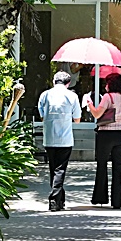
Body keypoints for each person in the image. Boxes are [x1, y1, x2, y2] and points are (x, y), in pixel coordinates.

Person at [87, 73, 121, 208]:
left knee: (102, 165)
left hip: (105, 135)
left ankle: (100, 198)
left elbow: (97, 114)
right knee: (118, 168)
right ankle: (117, 202)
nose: (106, 86)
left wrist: (90, 104)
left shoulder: (108, 97)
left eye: (107, 83)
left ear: (111, 84)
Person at [37, 71, 81, 211]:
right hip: (65, 138)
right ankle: (55, 200)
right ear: (68, 83)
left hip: (49, 137)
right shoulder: (72, 96)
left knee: (53, 169)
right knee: (60, 169)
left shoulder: (45, 95)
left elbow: (42, 115)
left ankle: (60, 200)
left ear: (54, 81)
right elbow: (77, 119)